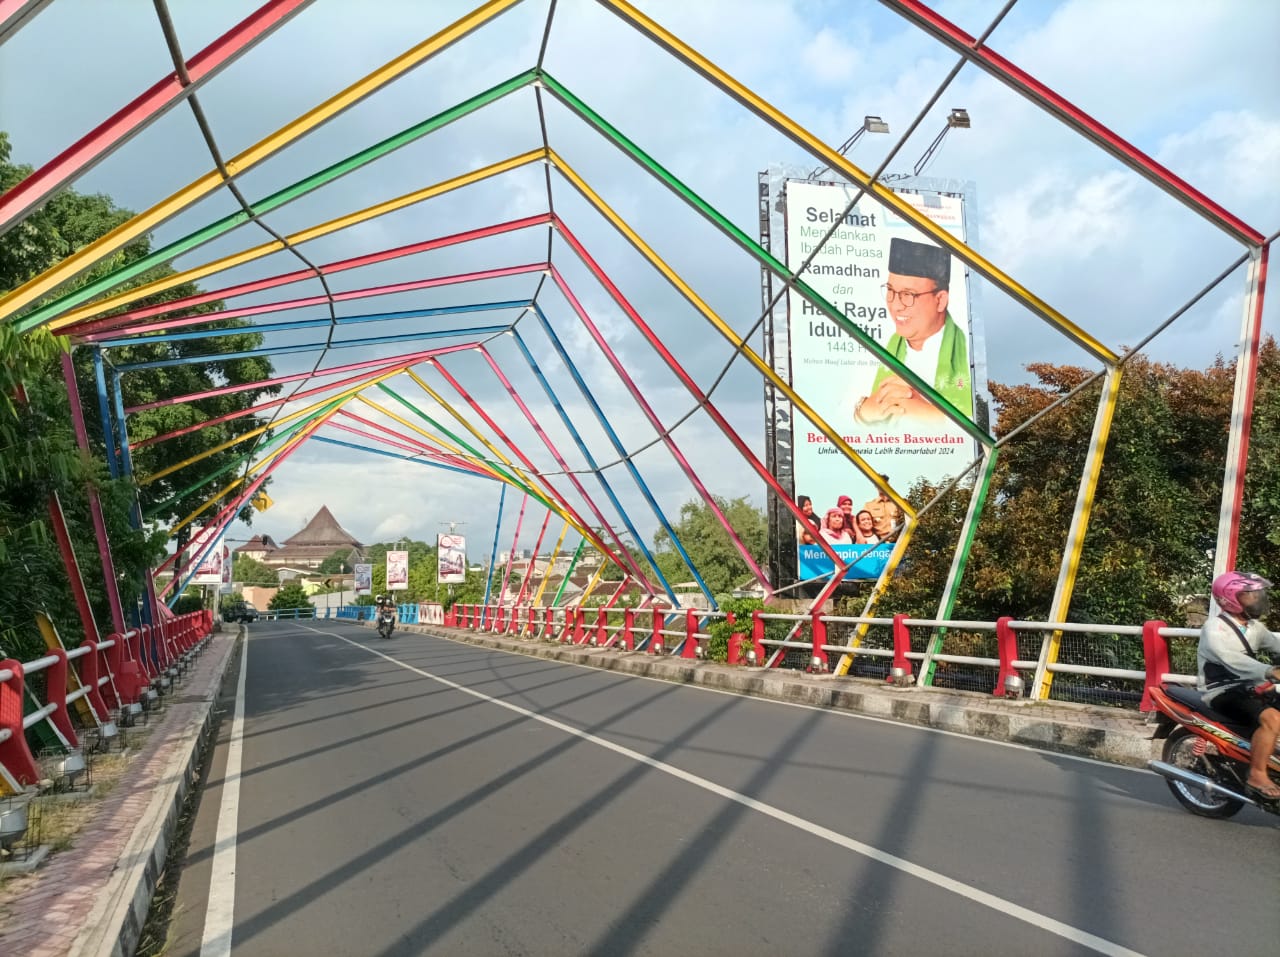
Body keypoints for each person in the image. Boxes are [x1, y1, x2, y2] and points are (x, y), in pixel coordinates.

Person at [853, 237, 972, 425]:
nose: (896, 305)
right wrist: (866, 410)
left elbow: (981, 429)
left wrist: (927, 412)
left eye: (908, 295)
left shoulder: (969, 353)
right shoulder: (879, 350)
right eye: (890, 291)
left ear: (940, 300)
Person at [1197, 571, 1280, 800]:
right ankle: (1257, 774)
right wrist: (1269, 671)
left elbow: (1276, 646)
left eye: (1258, 595)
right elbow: (1232, 658)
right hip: (1222, 691)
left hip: (1253, 685)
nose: (1258, 600)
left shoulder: (1255, 628)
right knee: (1272, 718)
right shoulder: (1215, 628)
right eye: (1250, 595)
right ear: (1230, 598)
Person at [862, 476, 901, 541]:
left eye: (884, 483)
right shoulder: (869, 505)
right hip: (878, 543)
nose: (882, 486)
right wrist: (859, 535)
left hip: (898, 542)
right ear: (876, 486)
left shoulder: (898, 504)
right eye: (879, 483)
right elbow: (859, 521)